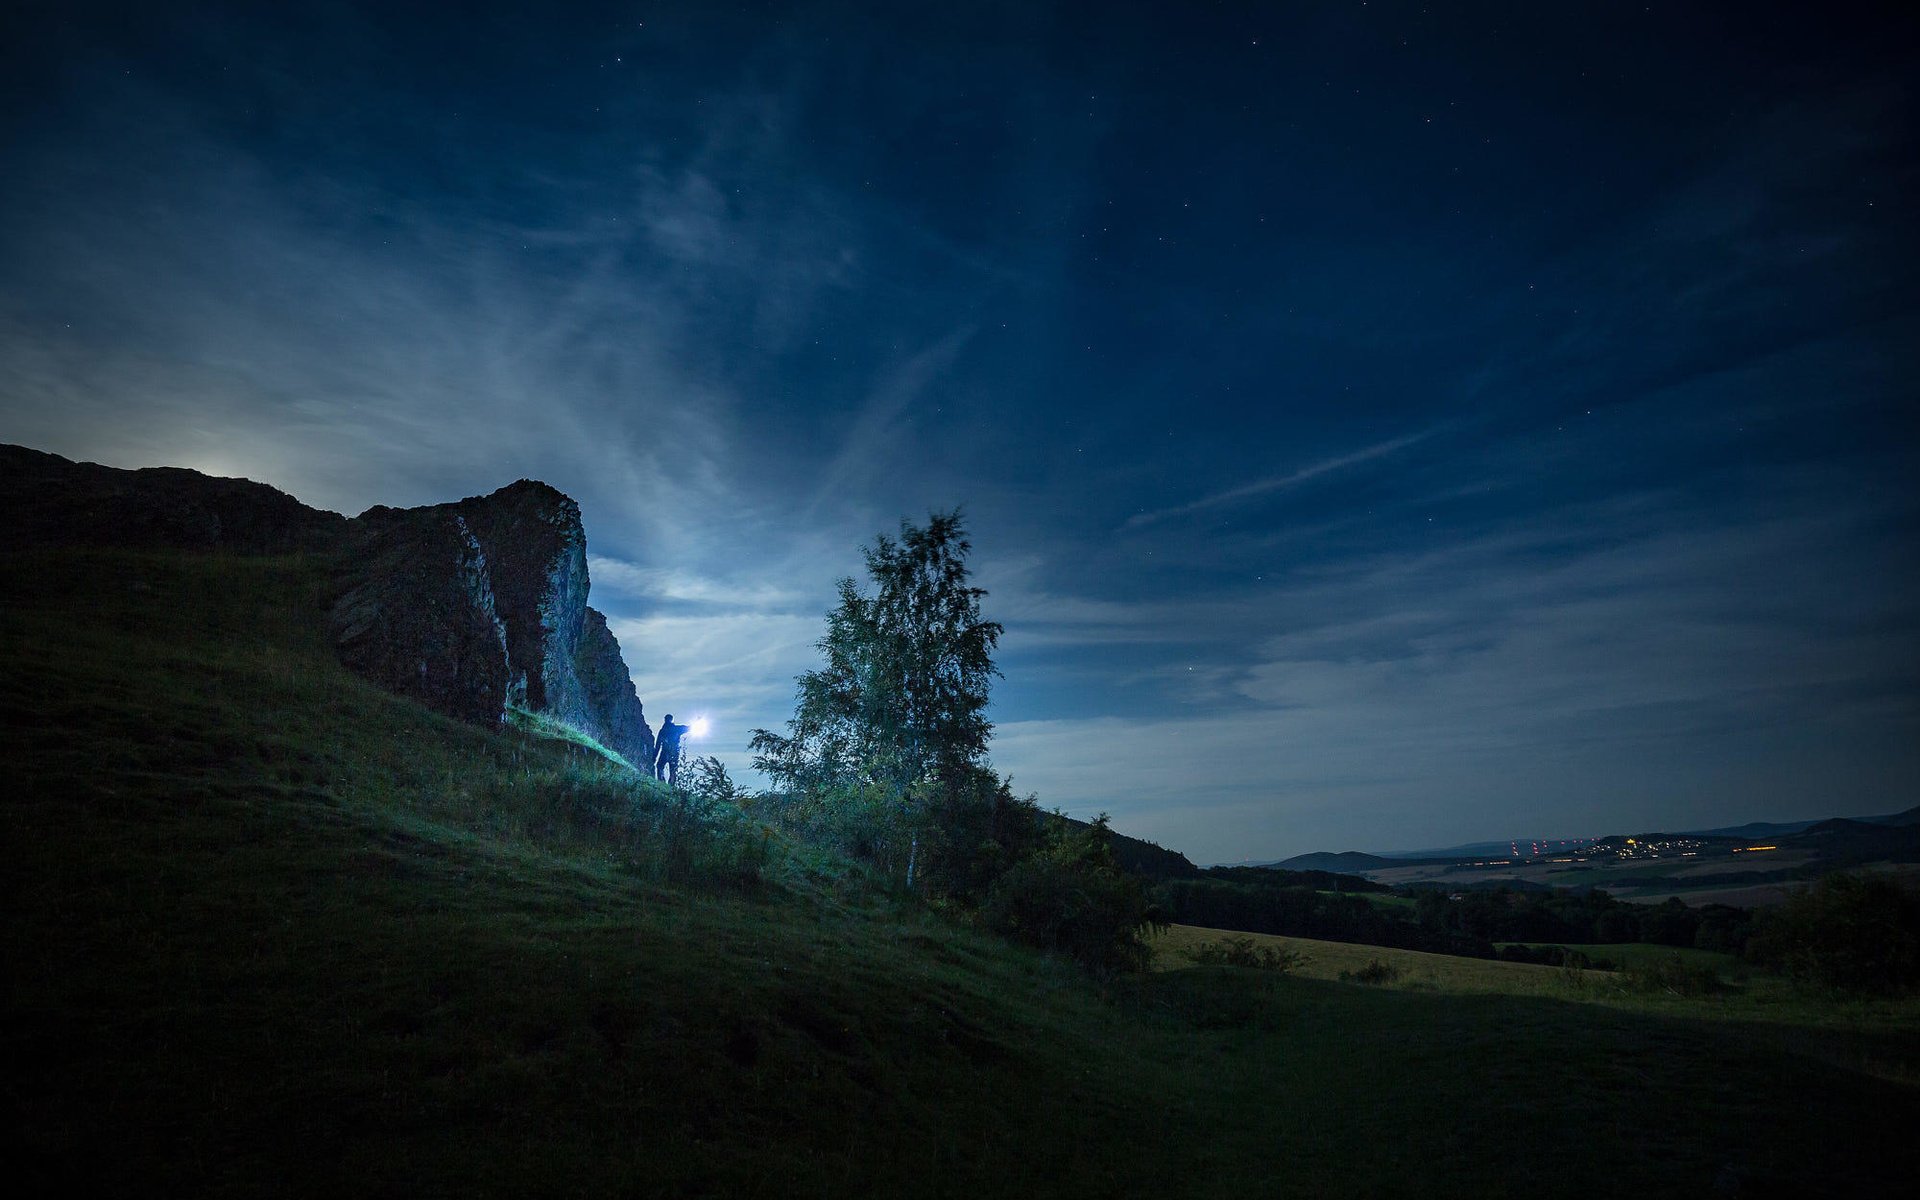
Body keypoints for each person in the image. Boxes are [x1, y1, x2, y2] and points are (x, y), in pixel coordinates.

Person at [653, 713, 689, 786]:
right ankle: (671, 786)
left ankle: (662, 783)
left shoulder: (663, 731)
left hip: (665, 752)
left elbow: (658, 745)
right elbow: (688, 728)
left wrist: (654, 757)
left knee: (660, 766)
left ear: (665, 720)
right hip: (674, 753)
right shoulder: (677, 729)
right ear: (672, 720)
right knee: (672, 770)